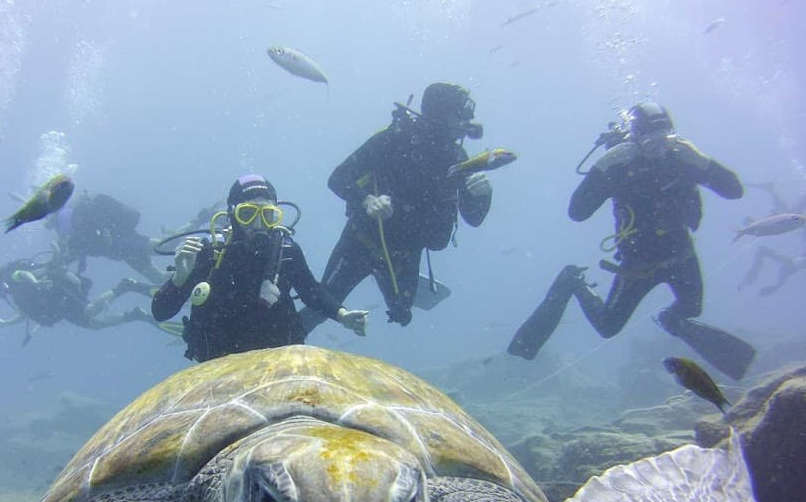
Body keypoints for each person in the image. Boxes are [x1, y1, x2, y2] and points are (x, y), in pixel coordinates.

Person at [508, 102, 755, 380]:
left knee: (691, 308)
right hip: (638, 263)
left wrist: (701, 160)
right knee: (608, 326)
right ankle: (573, 281)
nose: (659, 148)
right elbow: (577, 212)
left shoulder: (682, 157)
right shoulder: (619, 163)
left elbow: (734, 190)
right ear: (637, 138)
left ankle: (668, 319)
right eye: (651, 140)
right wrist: (603, 168)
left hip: (681, 253)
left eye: (666, 139)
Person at [300, 82, 493, 334]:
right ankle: (274, 346)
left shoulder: (457, 159)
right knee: (322, 307)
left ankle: (393, 287)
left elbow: (474, 218)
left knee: (403, 314)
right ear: (441, 114)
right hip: (361, 242)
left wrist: (483, 196)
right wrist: (367, 200)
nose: (466, 124)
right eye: (460, 116)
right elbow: (338, 178)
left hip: (405, 253)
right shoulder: (393, 139)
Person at [151, 174, 368, 362]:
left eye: (267, 215)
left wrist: (342, 315)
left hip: (278, 358)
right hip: (218, 364)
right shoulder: (210, 254)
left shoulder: (287, 252)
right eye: (248, 214)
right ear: (232, 214)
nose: (258, 224)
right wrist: (180, 277)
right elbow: (161, 312)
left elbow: (312, 293)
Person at [0, 254, 153, 345]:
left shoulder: (14, 277)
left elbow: (23, 274)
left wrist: (36, 283)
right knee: (94, 325)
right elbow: (23, 314)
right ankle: (134, 315)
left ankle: (124, 287)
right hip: (58, 308)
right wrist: (7, 323)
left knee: (89, 311)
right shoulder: (18, 297)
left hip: (59, 294)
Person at [50, 191, 166, 284]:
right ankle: (181, 279)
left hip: (117, 243)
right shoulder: (66, 215)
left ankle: (183, 242)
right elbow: (78, 246)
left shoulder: (62, 217)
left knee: (158, 248)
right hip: (115, 246)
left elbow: (72, 245)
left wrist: (58, 256)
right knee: (159, 276)